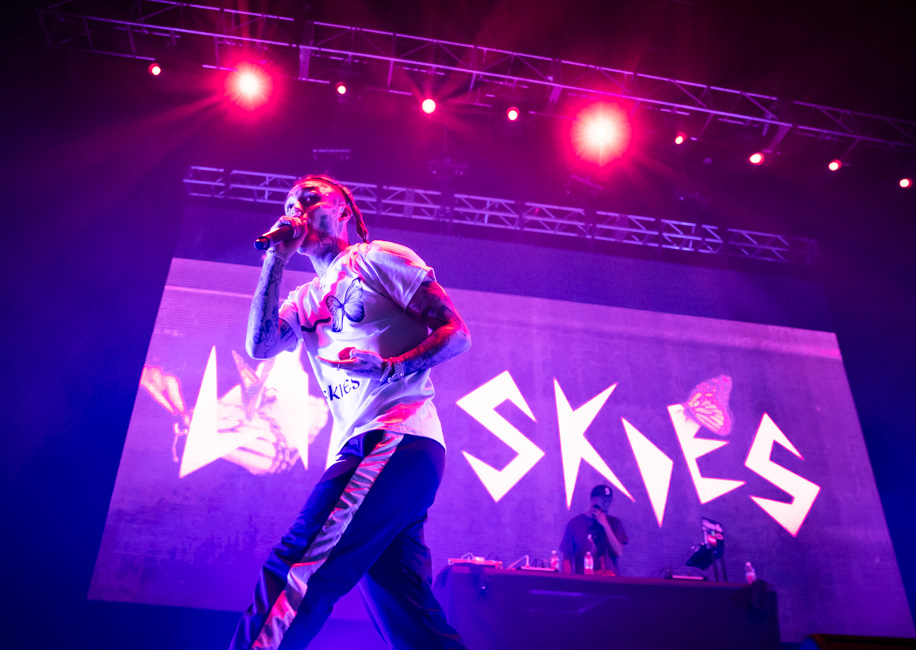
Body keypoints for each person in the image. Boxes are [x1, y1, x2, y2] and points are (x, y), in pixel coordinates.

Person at [230, 175, 471, 649]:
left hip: (394, 435)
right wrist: (274, 260)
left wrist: (390, 367)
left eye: (310, 198)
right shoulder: (303, 299)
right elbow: (259, 345)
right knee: (408, 616)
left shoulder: (376, 258)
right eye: (290, 203)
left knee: (299, 566)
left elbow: (457, 333)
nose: (298, 207)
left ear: (344, 210)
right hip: (377, 448)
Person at [559, 484, 628, 575]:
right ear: (593, 500)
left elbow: (618, 552)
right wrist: (567, 582)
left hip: (610, 580)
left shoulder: (615, 523)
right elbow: (567, 556)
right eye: (602, 500)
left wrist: (606, 525)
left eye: (609, 501)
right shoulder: (575, 523)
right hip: (584, 580)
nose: (606, 504)